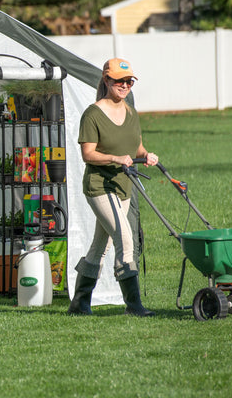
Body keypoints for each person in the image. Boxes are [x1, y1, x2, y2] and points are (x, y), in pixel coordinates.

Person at [68, 58, 158, 317]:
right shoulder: (92, 114)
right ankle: (134, 306)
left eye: (129, 81)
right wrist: (115, 159)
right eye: (119, 80)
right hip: (99, 187)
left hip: (123, 186)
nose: (125, 85)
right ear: (106, 80)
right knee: (125, 240)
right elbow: (88, 154)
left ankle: (79, 303)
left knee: (100, 246)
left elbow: (136, 147)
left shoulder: (130, 112)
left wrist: (146, 155)